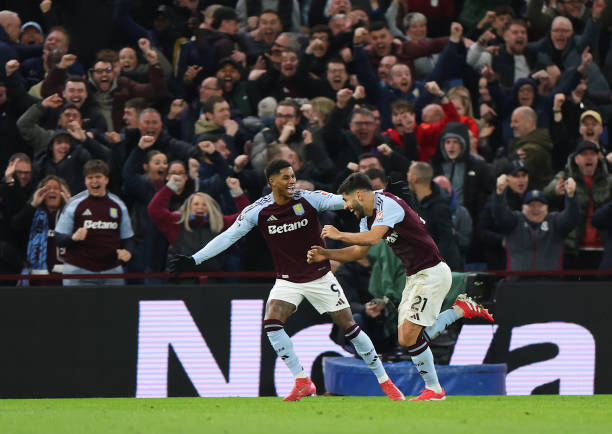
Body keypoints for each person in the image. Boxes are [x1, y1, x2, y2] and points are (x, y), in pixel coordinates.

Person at [168, 159, 405, 401]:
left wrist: (383, 195)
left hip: (319, 276)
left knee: (350, 327)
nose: (292, 181)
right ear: (271, 181)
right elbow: (228, 237)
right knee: (272, 322)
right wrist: (195, 260)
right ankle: (302, 381)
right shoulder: (257, 211)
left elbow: (346, 200)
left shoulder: (309, 198)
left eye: (293, 176)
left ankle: (385, 382)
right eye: (286, 177)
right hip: (287, 280)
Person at [306, 172, 494, 401]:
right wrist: (326, 254)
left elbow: (374, 238)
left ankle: (436, 387)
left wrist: (339, 234)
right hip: (414, 277)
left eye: (346, 200)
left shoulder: (388, 203)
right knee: (406, 339)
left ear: (358, 194)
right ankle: (458, 315)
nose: (346, 207)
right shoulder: (367, 218)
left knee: (410, 335)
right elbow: (358, 252)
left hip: (432, 273)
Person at [55, 160, 134, 286]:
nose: (94, 181)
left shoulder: (118, 205)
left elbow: (128, 238)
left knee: (117, 306)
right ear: (85, 181)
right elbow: (58, 238)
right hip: (78, 270)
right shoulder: (74, 203)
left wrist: (128, 252)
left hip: (111, 270)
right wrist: (73, 238)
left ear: (106, 180)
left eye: (98, 177)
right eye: (90, 177)